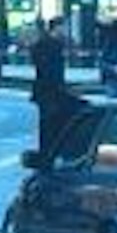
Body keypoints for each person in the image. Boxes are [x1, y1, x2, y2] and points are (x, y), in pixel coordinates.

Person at [29, 17, 77, 153]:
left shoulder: (47, 43)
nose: (65, 31)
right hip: (49, 91)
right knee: (49, 124)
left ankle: (47, 150)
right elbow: (49, 70)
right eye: (64, 27)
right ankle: (48, 151)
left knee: (48, 124)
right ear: (57, 27)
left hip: (47, 90)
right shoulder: (50, 45)